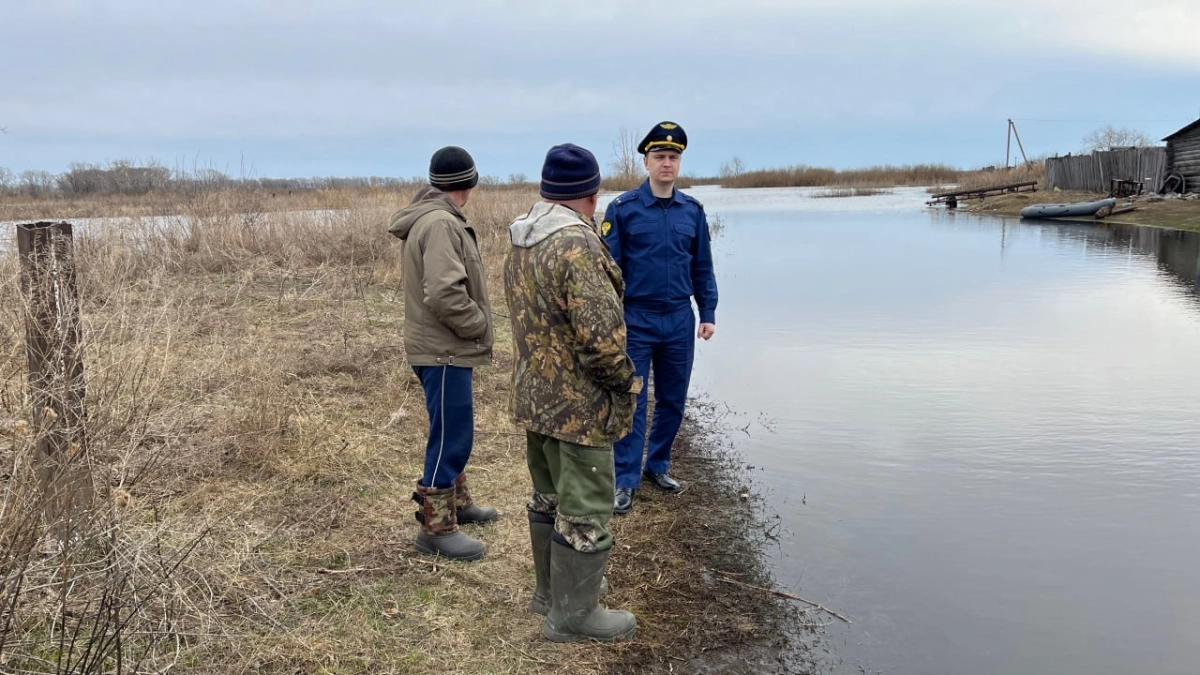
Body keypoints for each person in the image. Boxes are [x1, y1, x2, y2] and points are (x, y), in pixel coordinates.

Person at [504, 143, 642, 642]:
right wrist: (629, 382)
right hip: (578, 408)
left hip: (537, 397)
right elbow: (602, 342)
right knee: (584, 505)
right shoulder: (577, 245)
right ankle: (573, 615)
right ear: (592, 192)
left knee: (547, 496)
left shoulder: (524, 237)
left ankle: (551, 594)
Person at [387, 145, 498, 562]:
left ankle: (458, 505)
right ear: (469, 183)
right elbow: (445, 292)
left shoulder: (435, 218)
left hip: (440, 347)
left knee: (451, 426)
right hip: (444, 349)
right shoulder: (439, 224)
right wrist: (479, 326)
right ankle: (435, 528)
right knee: (452, 434)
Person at [601, 121, 718, 515]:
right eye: (660, 157)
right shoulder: (623, 210)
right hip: (637, 317)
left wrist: (708, 312)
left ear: (679, 163)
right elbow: (609, 270)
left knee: (673, 399)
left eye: (673, 157)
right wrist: (612, 319)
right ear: (646, 163)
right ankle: (626, 479)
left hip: (679, 319)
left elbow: (703, 266)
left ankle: (658, 465)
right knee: (632, 398)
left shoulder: (693, 211)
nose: (667, 163)